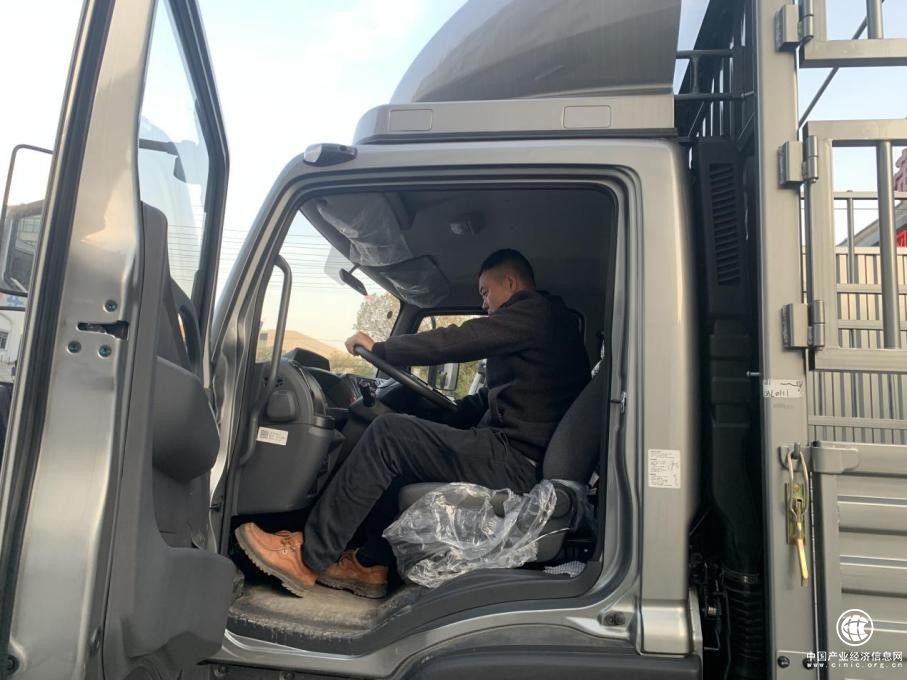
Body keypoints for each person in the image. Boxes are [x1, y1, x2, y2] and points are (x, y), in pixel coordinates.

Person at [235, 249, 590, 598]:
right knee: (404, 448)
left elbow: (465, 339)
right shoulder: (543, 327)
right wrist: (442, 409)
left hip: (515, 462)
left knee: (388, 434)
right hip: (516, 456)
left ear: (510, 282)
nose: (484, 304)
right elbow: (490, 400)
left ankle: (307, 556)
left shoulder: (535, 312)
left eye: (485, 292)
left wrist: (383, 349)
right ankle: (371, 563)